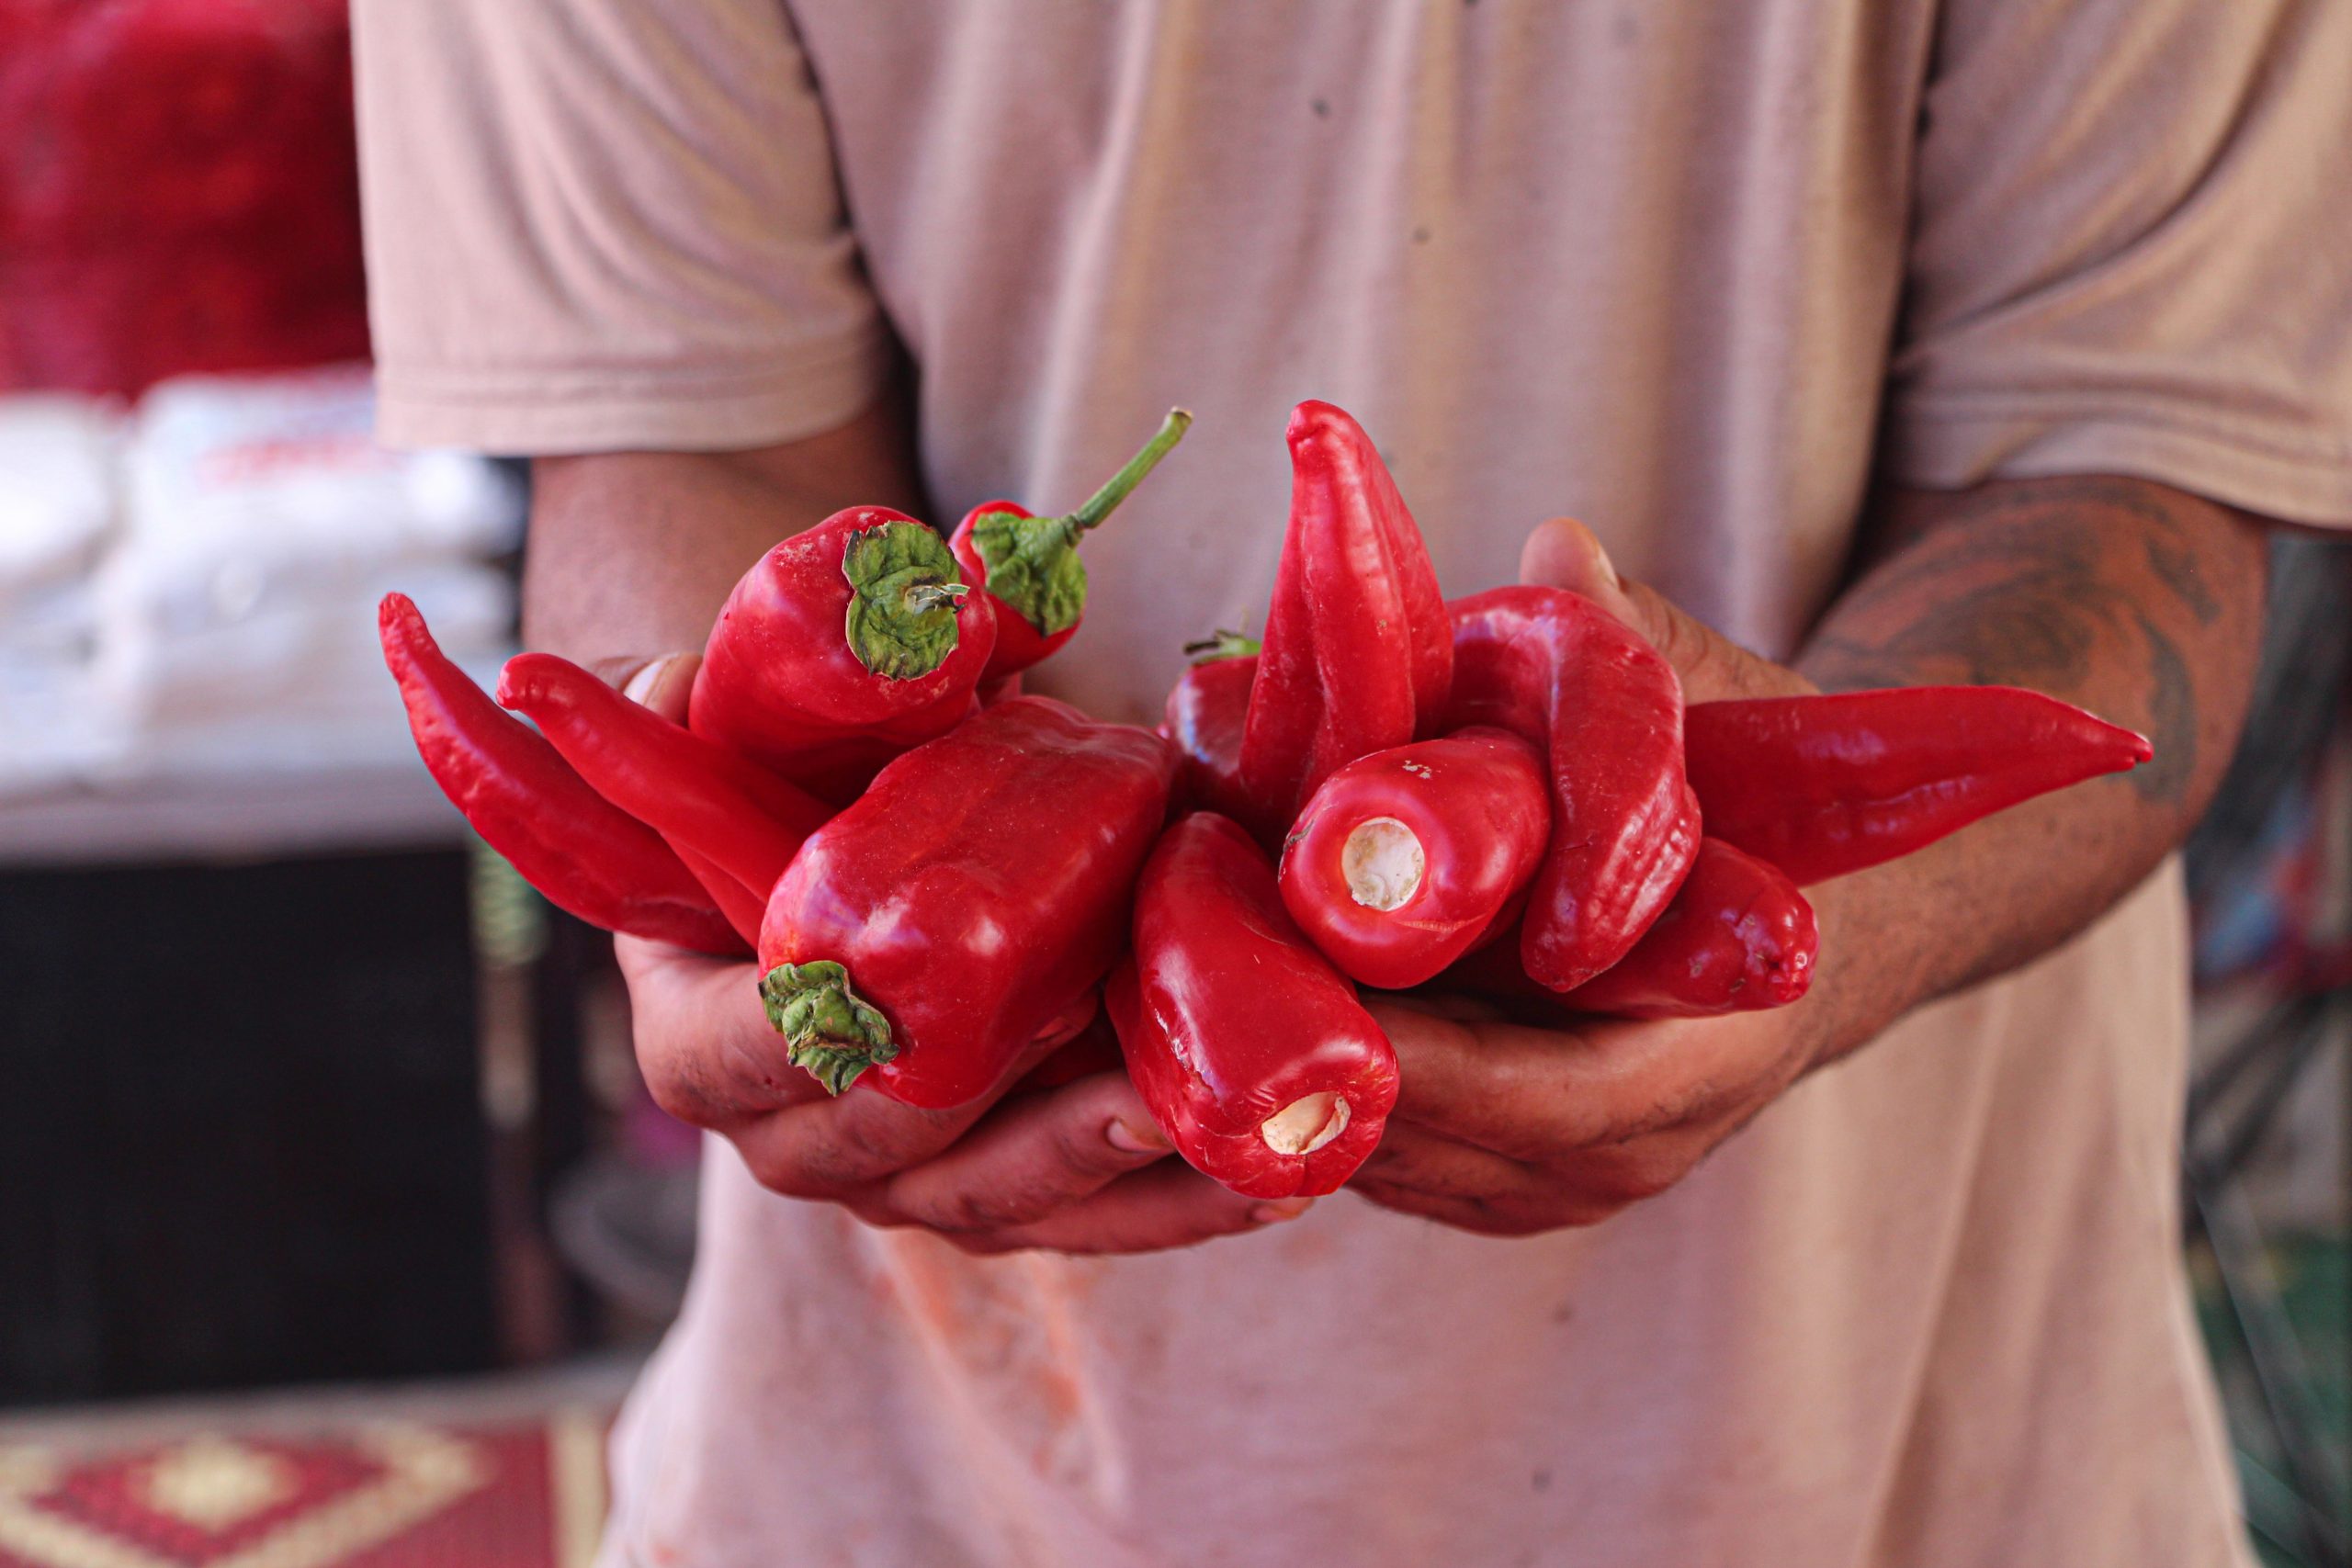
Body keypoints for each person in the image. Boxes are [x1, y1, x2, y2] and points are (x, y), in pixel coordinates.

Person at [352, 3, 2350, 1562]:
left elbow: (2130, 482)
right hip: (920, 1475)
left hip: (1896, 1453)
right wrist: (746, 887)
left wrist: (1798, 937)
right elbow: (672, 433)